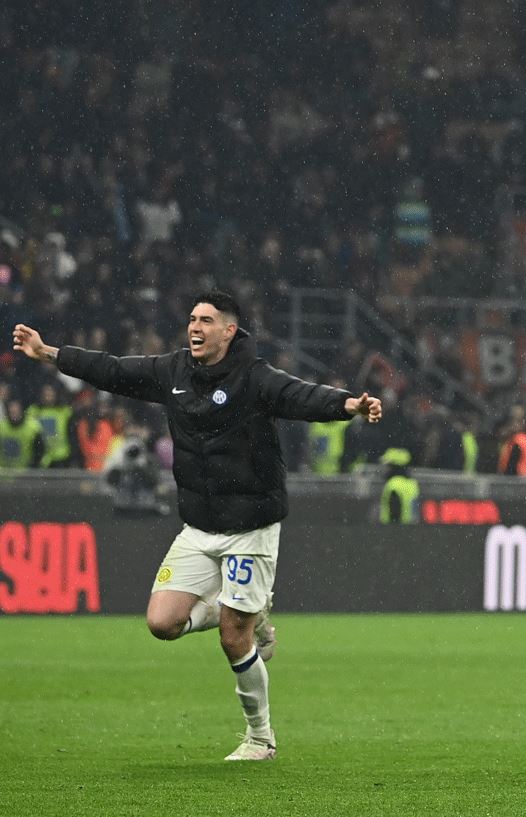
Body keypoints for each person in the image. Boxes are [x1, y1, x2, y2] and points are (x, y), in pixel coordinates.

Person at [12, 291, 382, 762]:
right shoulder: (173, 371)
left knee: (232, 638)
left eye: (206, 320)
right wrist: (50, 353)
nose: (195, 327)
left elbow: (299, 396)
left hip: (250, 526)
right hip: (200, 527)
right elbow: (113, 369)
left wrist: (348, 405)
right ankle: (250, 613)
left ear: (229, 330)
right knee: (161, 623)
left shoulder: (254, 377)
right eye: (192, 318)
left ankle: (260, 738)